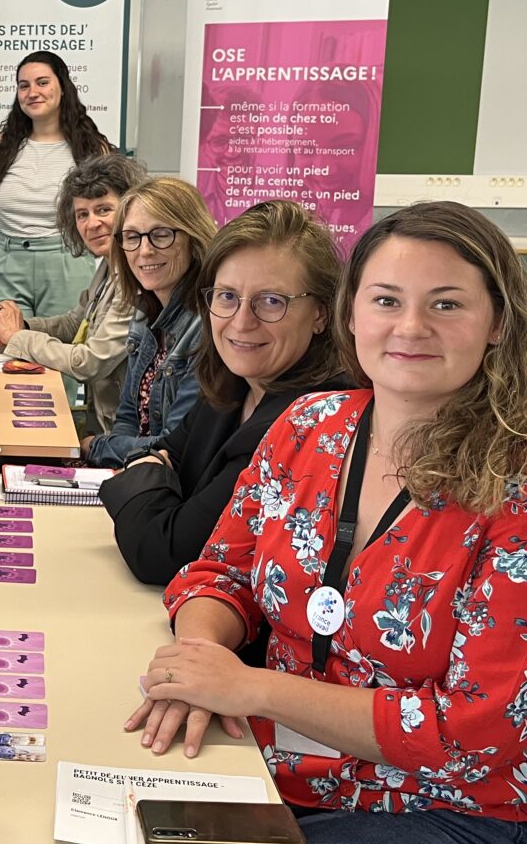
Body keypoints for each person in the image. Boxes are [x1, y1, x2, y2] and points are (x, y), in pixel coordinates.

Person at [112, 201, 527, 844]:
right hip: (273, 771)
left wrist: (250, 688)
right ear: (352, 314)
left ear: (498, 322)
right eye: (386, 300)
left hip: (443, 819)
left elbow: (476, 733)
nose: (410, 328)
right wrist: (199, 665)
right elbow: (219, 572)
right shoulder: (310, 426)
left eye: (446, 304)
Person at [100, 200, 349, 586]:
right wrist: (156, 472)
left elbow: (163, 552)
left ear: (321, 313)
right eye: (227, 296)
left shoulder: (309, 418)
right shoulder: (232, 383)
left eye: (272, 301)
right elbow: (162, 452)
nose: (241, 322)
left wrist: (147, 475)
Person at [0, 152, 146, 435]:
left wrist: (18, 337)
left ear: (130, 210)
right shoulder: (109, 267)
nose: (91, 223)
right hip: (100, 422)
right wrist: (21, 324)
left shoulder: (137, 278)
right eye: (82, 214)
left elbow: (89, 363)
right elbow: (77, 323)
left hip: (118, 436)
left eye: (103, 210)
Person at [0, 50, 114, 321]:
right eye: (24, 86)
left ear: (62, 87)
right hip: (6, 266)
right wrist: (13, 249)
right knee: (0, 355)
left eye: (42, 82)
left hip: (67, 267)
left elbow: (111, 216)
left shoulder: (93, 150)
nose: (32, 92)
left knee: (63, 356)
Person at [81, 177, 216, 467]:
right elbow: (128, 415)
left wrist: (98, 448)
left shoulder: (208, 327)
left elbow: (173, 446)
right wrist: (111, 457)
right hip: (136, 474)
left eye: (161, 234)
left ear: (193, 238)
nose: (144, 251)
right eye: (132, 237)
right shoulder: (144, 312)